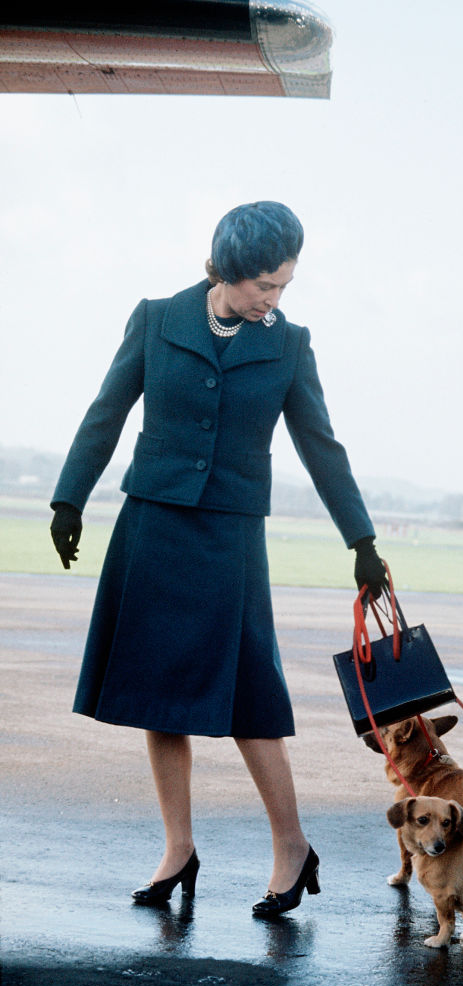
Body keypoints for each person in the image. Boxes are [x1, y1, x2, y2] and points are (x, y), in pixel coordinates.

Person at [49, 201, 387, 917]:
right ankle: (178, 848)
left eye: (283, 287)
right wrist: (68, 498)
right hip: (153, 524)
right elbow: (106, 410)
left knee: (249, 701)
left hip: (230, 538)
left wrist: (362, 541)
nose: (274, 299)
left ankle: (292, 846)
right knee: (155, 695)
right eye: (265, 285)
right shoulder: (156, 318)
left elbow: (321, 446)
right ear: (227, 269)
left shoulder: (290, 345)